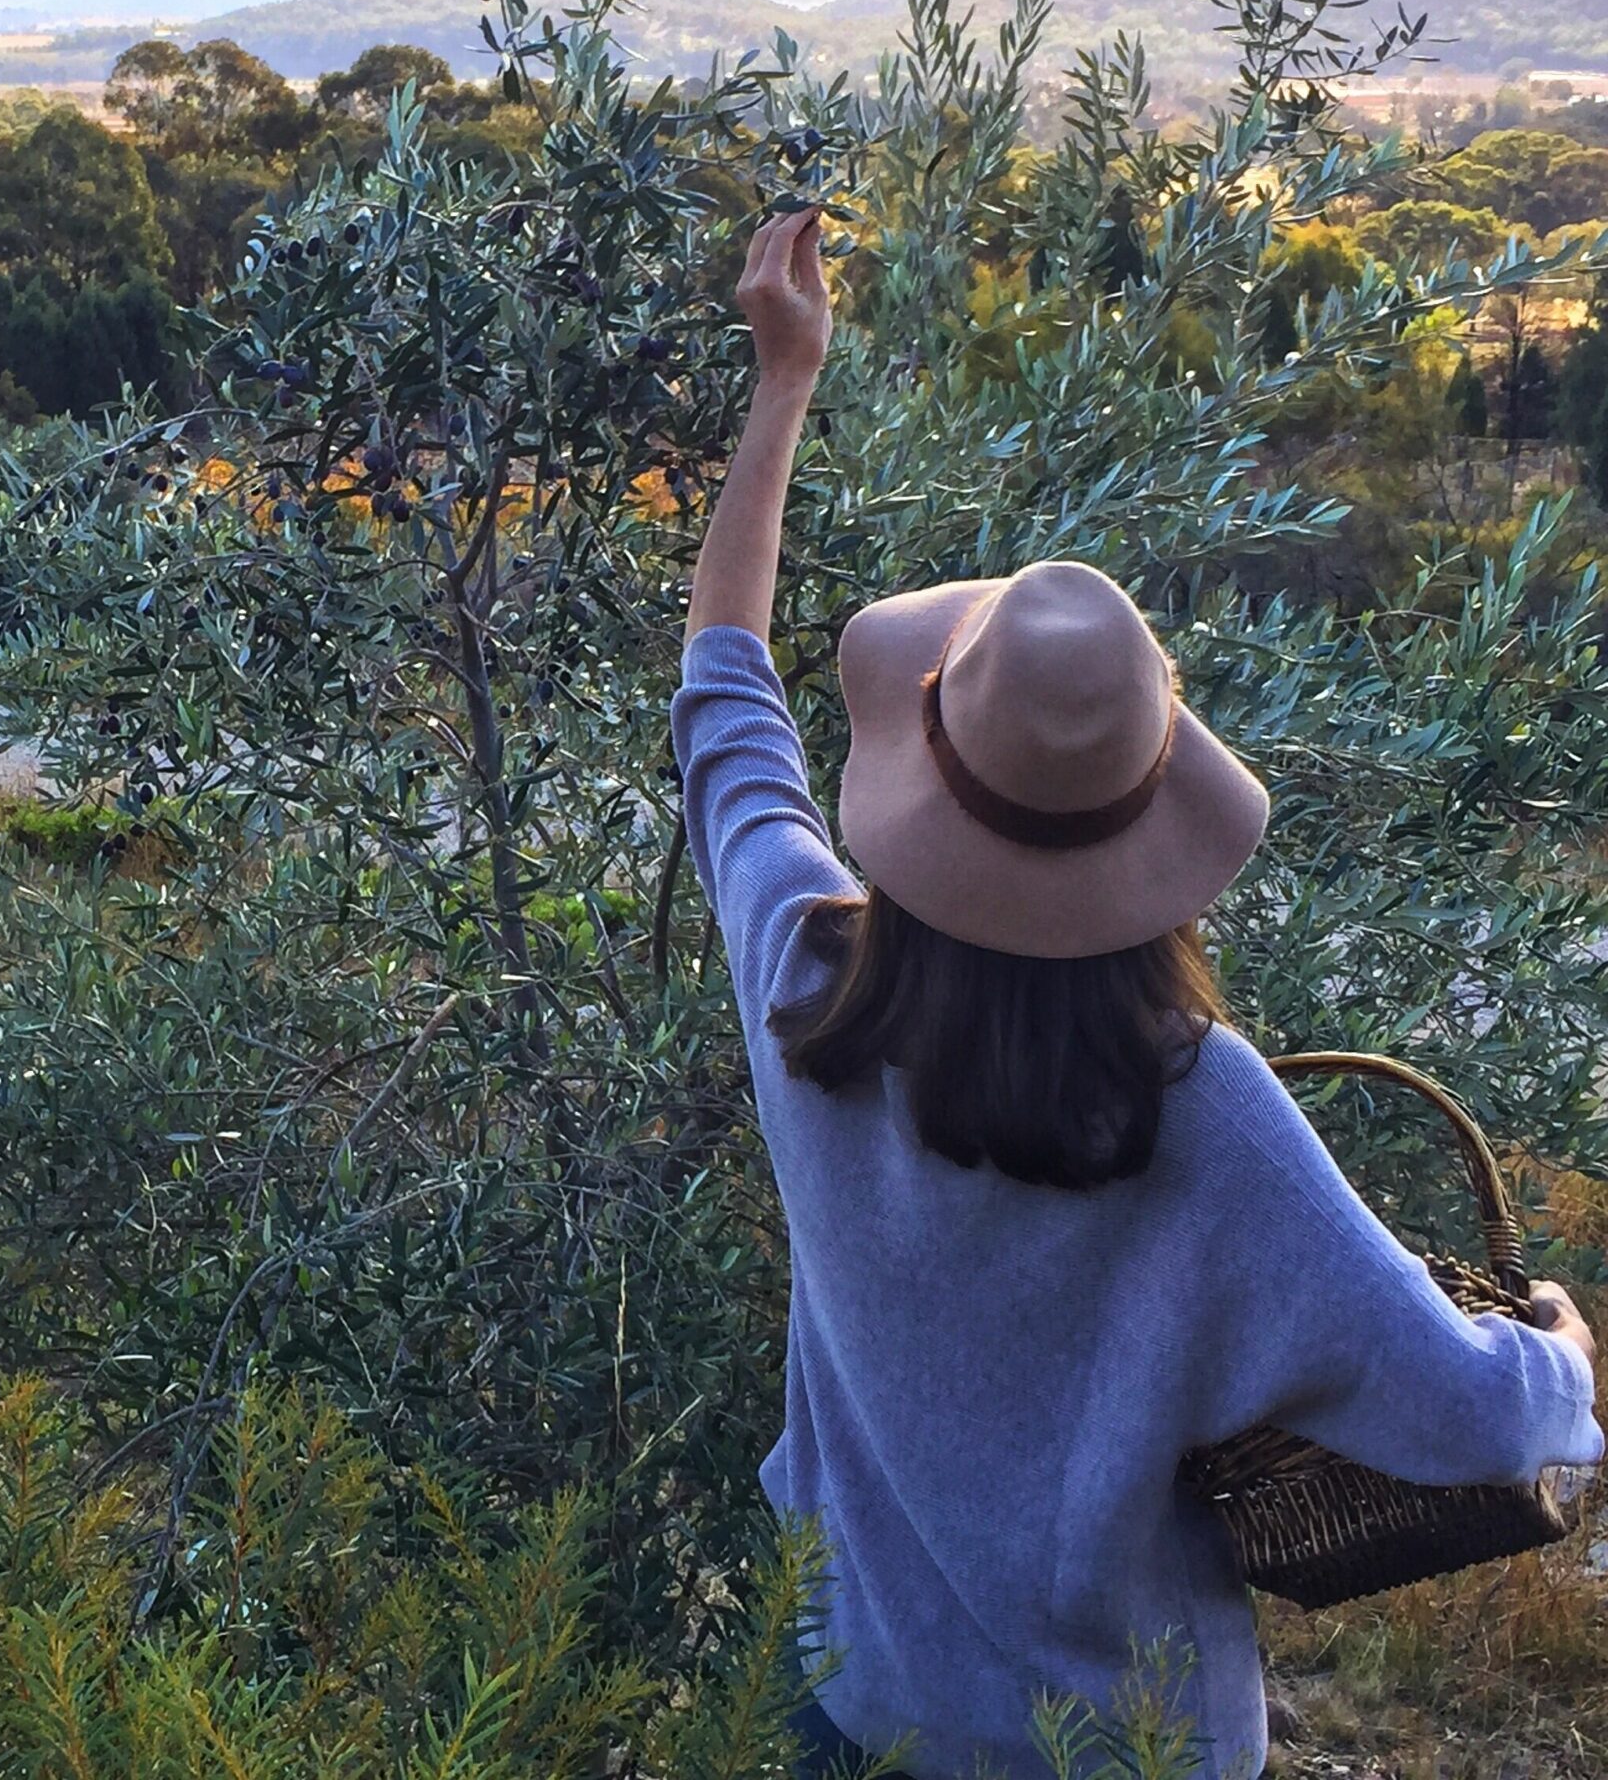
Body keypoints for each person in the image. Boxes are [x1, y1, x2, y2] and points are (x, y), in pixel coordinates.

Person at [675, 207, 1604, 1780]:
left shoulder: (802, 977)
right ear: (1155, 825)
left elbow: (721, 681)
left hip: (850, 1704)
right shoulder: (1199, 1110)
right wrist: (1567, 1364)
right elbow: (1463, 1413)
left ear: (920, 765)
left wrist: (784, 386)